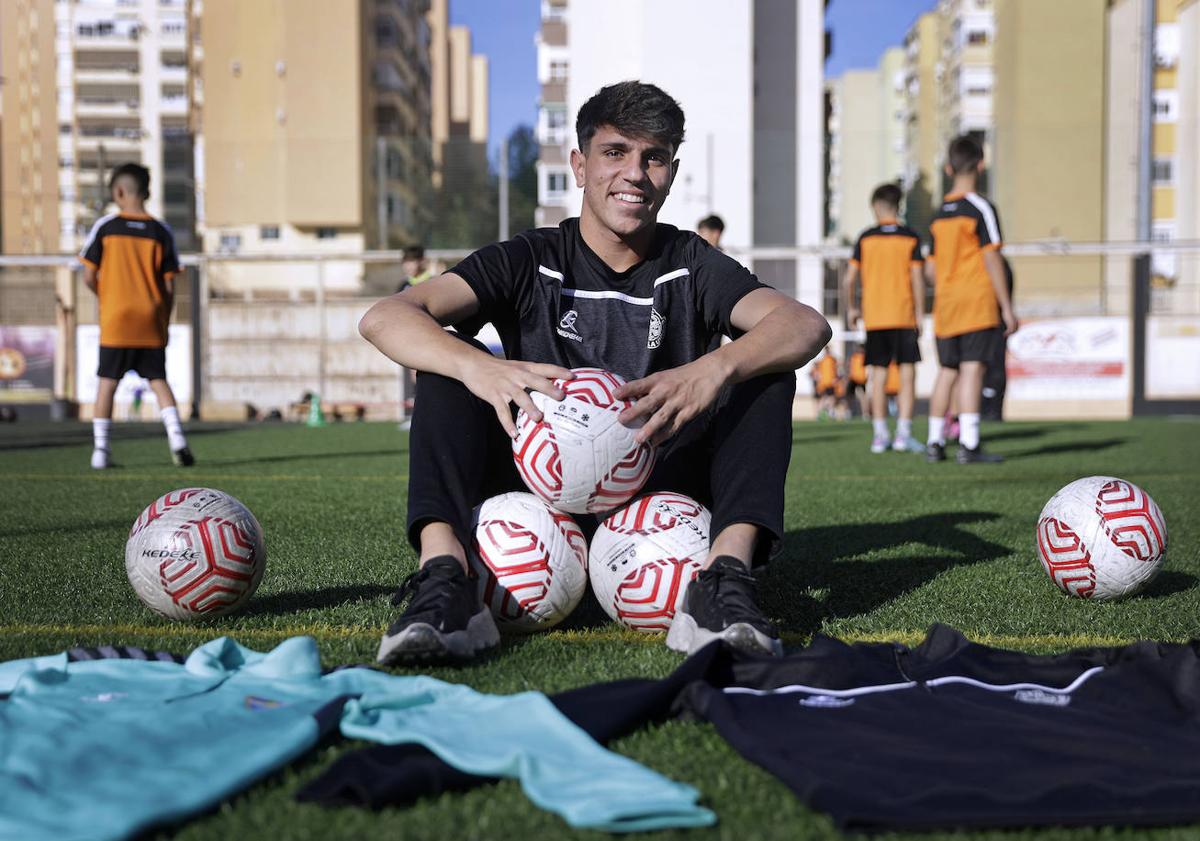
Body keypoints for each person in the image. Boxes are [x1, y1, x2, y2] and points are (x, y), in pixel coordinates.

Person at [359, 81, 831, 665]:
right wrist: (478, 367)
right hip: (535, 478)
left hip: (661, 480)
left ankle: (723, 581)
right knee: (445, 365)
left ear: (671, 173)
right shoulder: (531, 258)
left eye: (653, 158)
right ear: (580, 166)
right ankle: (444, 581)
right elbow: (387, 317)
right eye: (615, 153)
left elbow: (805, 325)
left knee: (765, 372)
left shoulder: (690, 263)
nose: (635, 172)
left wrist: (715, 367)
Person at [80, 163, 193, 470]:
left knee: (107, 384)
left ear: (119, 192)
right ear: (146, 191)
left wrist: (109, 296)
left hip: (116, 319)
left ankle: (101, 451)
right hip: (150, 318)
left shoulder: (106, 227)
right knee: (159, 381)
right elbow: (170, 284)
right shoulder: (161, 231)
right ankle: (178, 440)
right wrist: (164, 320)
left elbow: (88, 276)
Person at [924, 136, 1017, 464]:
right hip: (976, 304)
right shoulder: (981, 208)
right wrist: (1006, 307)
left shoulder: (938, 215)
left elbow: (931, 270)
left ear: (948, 168)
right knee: (972, 370)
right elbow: (993, 260)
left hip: (946, 306)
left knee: (947, 372)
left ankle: (934, 443)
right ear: (980, 165)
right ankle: (969, 444)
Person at [844, 183, 925, 453]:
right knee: (907, 375)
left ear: (876, 207)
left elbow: (848, 279)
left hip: (876, 318)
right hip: (903, 316)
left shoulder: (865, 238)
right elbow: (917, 279)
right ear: (898, 206)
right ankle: (903, 434)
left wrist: (852, 308)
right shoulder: (910, 236)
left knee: (876, 377)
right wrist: (920, 314)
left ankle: (880, 435)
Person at [810, 348, 839, 420]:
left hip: (829, 382)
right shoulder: (823, 360)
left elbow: (836, 369)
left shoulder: (831, 360)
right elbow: (816, 369)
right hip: (824, 383)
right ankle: (823, 413)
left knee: (830, 398)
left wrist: (835, 378)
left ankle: (829, 412)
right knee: (824, 398)